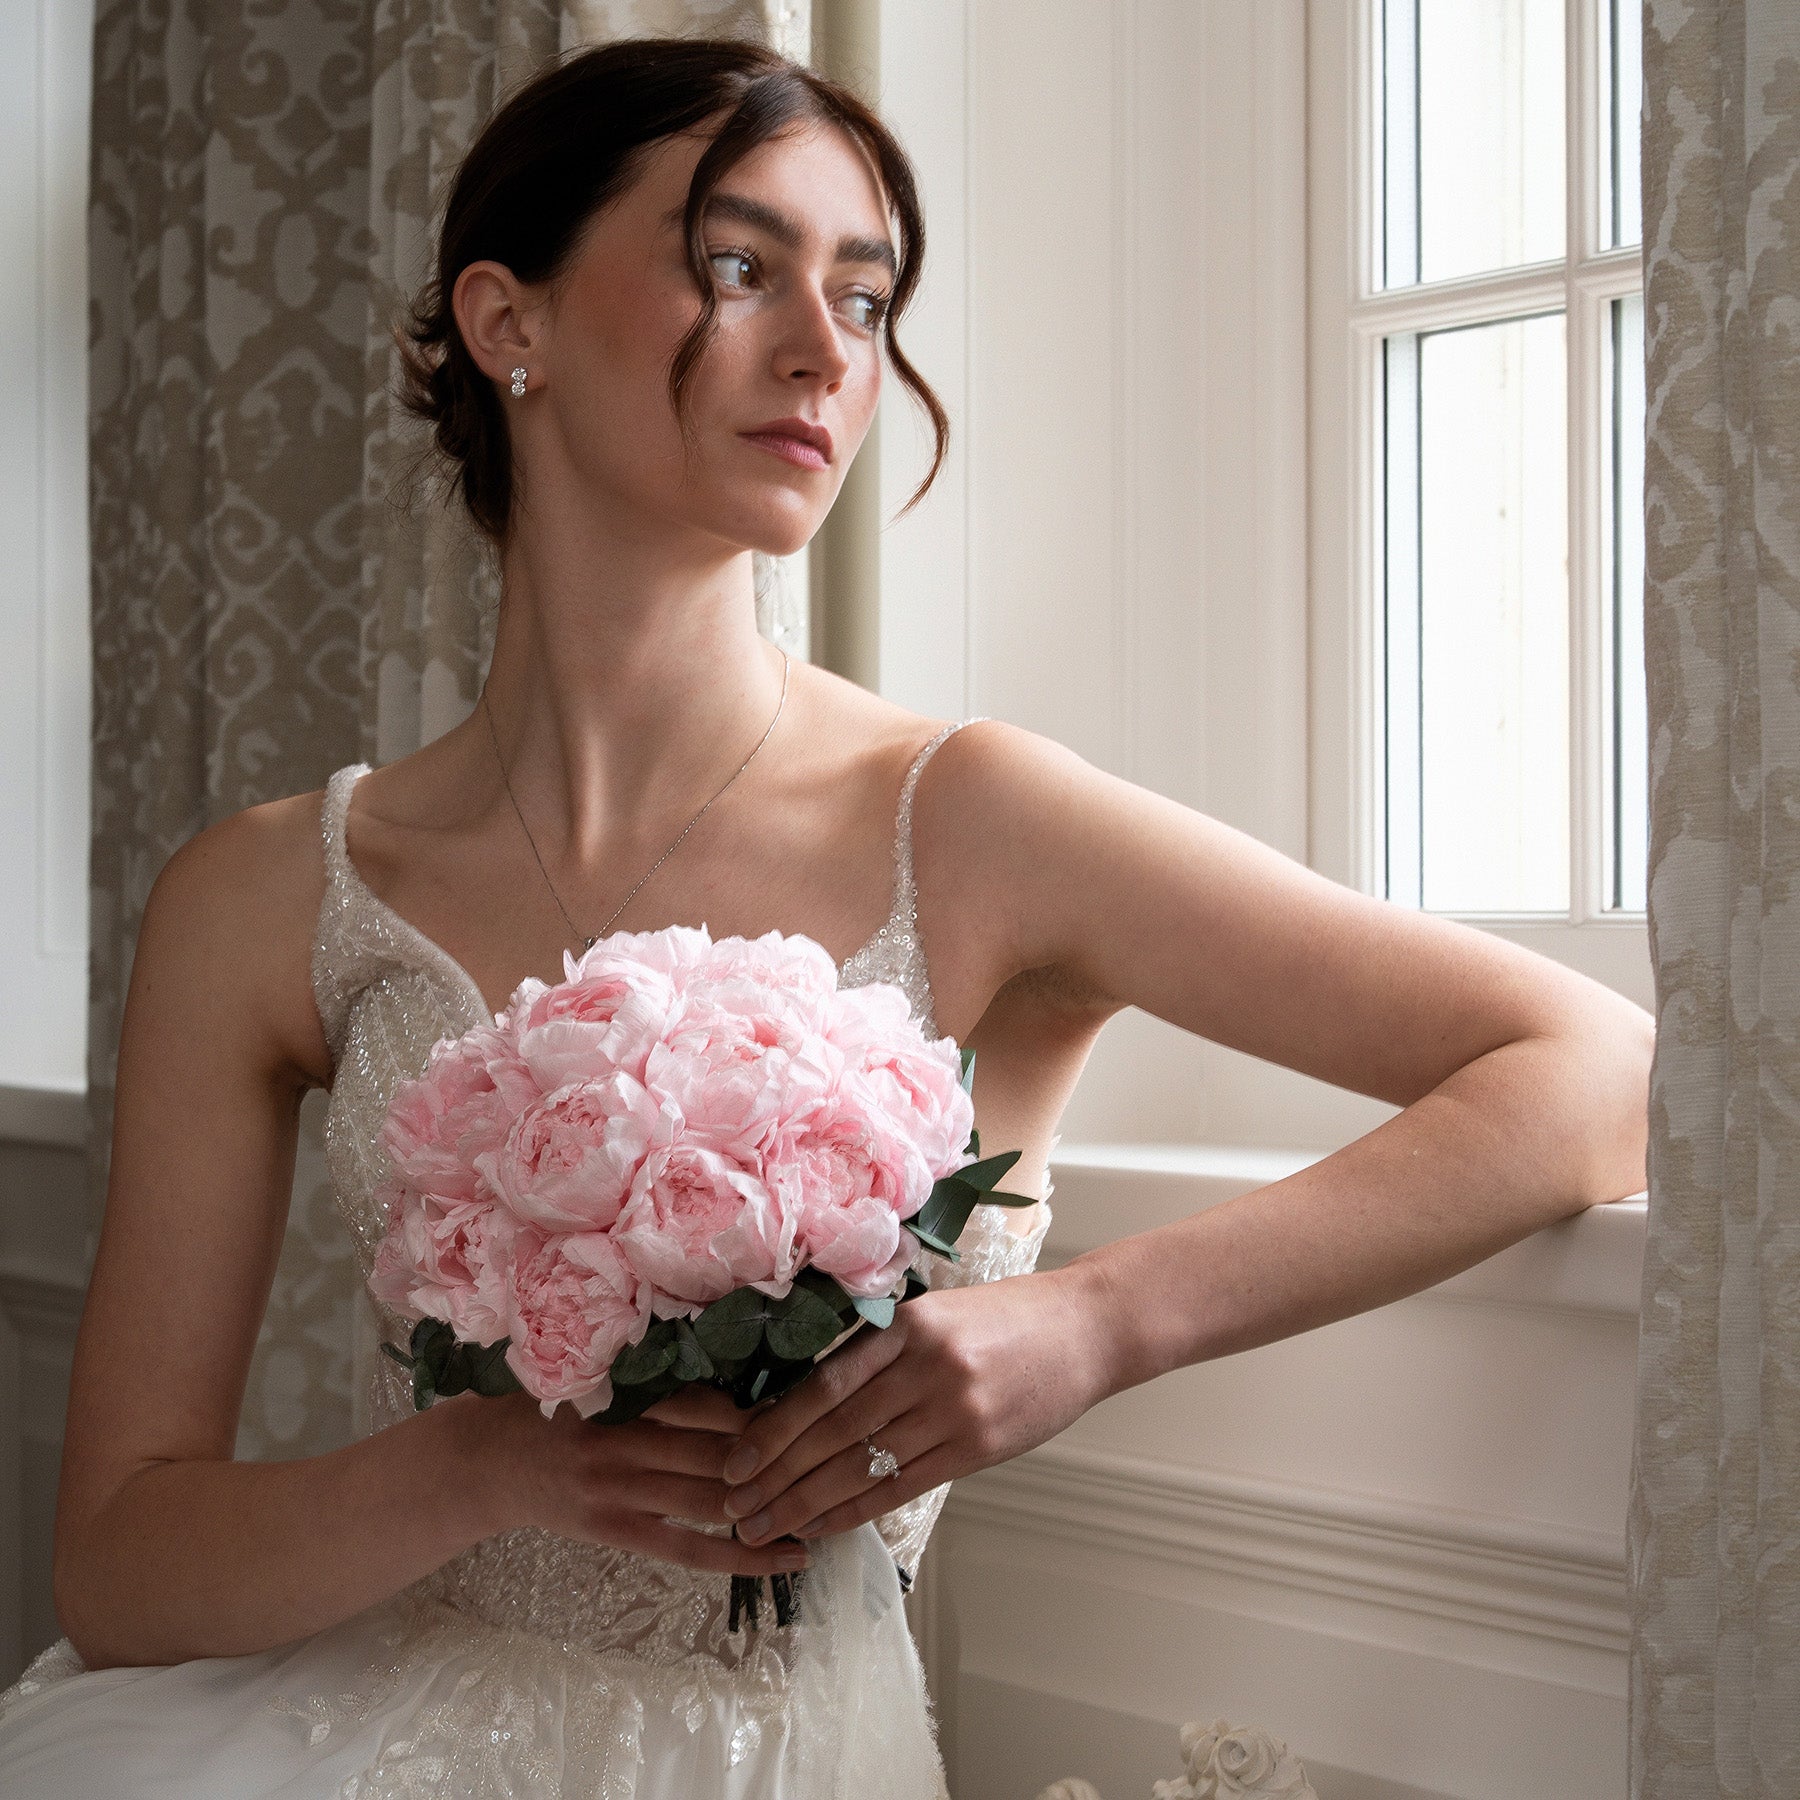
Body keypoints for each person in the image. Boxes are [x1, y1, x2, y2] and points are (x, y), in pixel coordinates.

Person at [0, 33, 1653, 1799]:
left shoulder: (978, 820)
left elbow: (1590, 1064)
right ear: (510, 324)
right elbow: (120, 1558)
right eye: (737, 265)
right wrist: (473, 1471)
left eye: (867, 300)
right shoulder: (268, 897)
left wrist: (1093, 1324)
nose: (823, 350)